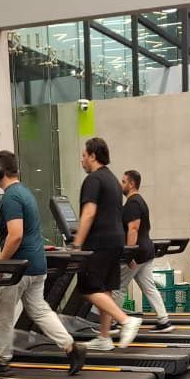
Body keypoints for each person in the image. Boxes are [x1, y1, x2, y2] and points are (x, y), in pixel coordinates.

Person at [0, 150, 87, 376]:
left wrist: (0, 263)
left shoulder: (10, 197)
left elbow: (15, 234)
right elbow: (2, 222)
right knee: (39, 310)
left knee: (3, 314)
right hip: (36, 265)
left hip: (16, 268)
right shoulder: (23, 193)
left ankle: (2, 360)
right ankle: (71, 347)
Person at [72, 137, 141, 351]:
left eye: (84, 155)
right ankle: (104, 337)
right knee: (105, 288)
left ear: (93, 156)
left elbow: (89, 212)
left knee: (87, 288)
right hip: (116, 241)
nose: (81, 160)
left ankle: (125, 320)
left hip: (98, 242)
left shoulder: (93, 180)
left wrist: (77, 244)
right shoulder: (112, 179)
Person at [118, 169, 173, 332]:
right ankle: (164, 320)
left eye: (123, 182)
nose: (121, 185)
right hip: (146, 252)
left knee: (117, 287)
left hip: (137, 254)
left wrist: (129, 255)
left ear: (131, 184)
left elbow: (133, 229)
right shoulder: (139, 201)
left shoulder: (133, 203)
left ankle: (112, 321)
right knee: (149, 287)